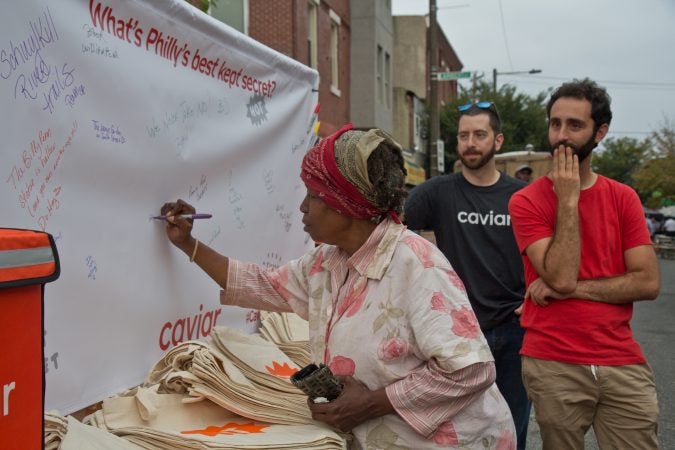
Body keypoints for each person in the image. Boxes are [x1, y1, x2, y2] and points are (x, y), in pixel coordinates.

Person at [160, 124, 516, 449]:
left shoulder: (416, 265)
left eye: (313, 195)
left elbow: (471, 370)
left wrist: (371, 403)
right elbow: (262, 285)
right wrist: (188, 244)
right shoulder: (327, 262)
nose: (302, 207)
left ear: (346, 204)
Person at [508, 78, 660, 449]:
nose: (561, 135)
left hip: (620, 356)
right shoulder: (526, 201)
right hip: (553, 359)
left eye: (575, 125)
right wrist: (569, 200)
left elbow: (647, 283)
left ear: (601, 131)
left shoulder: (623, 198)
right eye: (555, 123)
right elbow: (559, 276)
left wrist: (574, 289)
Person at [404, 101, 530, 449]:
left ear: (498, 140)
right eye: (463, 136)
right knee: (455, 430)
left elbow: (545, 255)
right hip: (456, 332)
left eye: (479, 135)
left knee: (512, 427)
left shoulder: (521, 198)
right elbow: (390, 233)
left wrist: (539, 289)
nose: (470, 143)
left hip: (514, 331)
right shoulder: (437, 192)